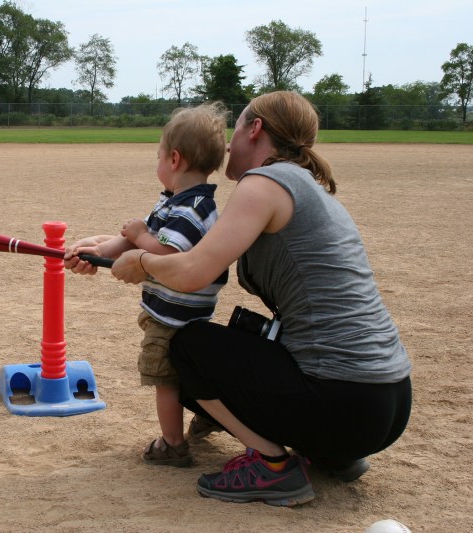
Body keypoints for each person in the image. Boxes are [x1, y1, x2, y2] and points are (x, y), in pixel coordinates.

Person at [109, 91, 412, 507]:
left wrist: (140, 261)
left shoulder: (264, 184)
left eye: (236, 129)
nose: (228, 144)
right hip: (384, 401)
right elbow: (187, 243)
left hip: (345, 401)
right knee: (241, 336)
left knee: (187, 345)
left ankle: (274, 468)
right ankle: (331, 453)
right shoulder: (306, 186)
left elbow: (191, 271)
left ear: (255, 130)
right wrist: (111, 247)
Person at [65, 102, 230, 467]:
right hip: (174, 312)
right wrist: (91, 251)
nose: (156, 164)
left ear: (174, 159)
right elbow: (131, 241)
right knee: (183, 373)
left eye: (157, 157)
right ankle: (211, 417)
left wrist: (139, 235)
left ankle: (173, 444)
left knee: (163, 378)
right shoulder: (175, 201)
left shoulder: (194, 209)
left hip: (174, 317)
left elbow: (166, 252)